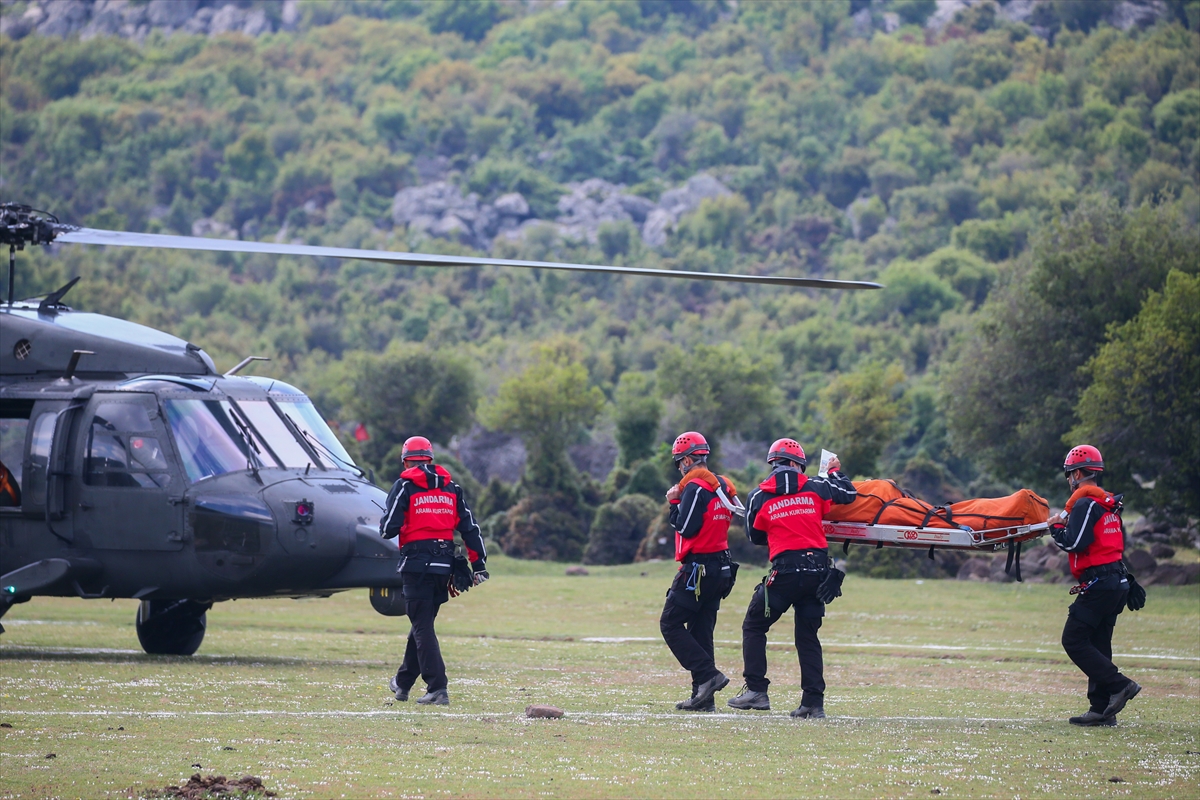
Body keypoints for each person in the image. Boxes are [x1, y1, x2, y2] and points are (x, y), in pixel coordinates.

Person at [727, 439, 856, 718]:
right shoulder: (817, 486)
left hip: (785, 574)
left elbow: (755, 536)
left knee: (754, 626)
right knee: (807, 637)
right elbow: (848, 493)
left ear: (773, 464)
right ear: (798, 464)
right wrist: (834, 471)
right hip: (818, 573)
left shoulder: (758, 496)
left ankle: (757, 691)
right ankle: (813, 703)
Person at [379, 435, 487, 706]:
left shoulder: (404, 486)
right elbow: (470, 529)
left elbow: (387, 528)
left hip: (416, 564)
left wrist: (394, 521)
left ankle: (437, 686)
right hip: (444, 565)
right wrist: (480, 565)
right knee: (421, 622)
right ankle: (402, 683)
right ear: (430, 458)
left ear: (405, 461)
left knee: (422, 624)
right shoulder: (452, 488)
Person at [1050, 445, 1141, 727]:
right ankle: (1103, 710)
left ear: (1077, 473)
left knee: (1074, 639)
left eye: (1069, 475)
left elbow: (1075, 542)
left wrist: (1054, 528)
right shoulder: (1107, 503)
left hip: (1101, 585)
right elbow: (1110, 545)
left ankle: (1120, 685)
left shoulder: (1085, 504)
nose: (1069, 480)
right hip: (1115, 581)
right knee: (1099, 643)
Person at [661, 431, 741, 712]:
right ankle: (703, 699)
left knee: (670, 623)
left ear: (685, 460)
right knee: (700, 630)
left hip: (699, 568)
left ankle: (708, 676)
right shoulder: (722, 486)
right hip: (720, 567)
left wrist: (673, 502)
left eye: (678, 462)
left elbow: (686, 527)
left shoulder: (695, 487)